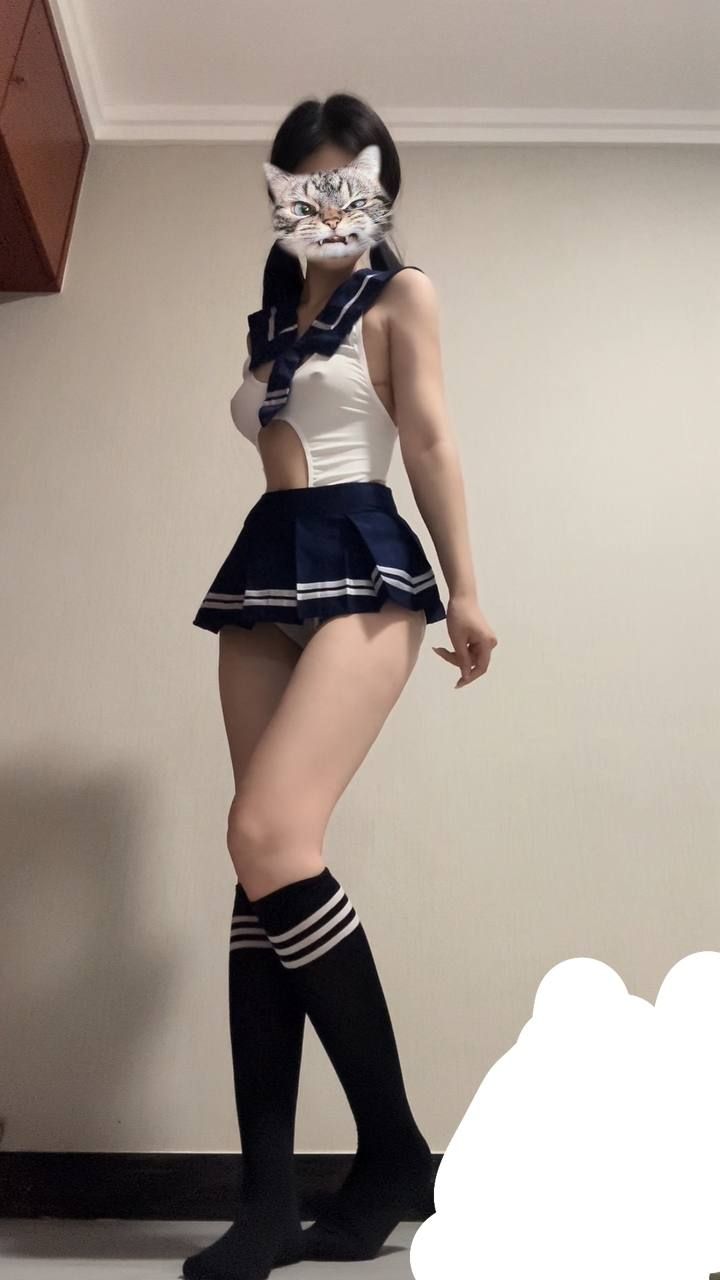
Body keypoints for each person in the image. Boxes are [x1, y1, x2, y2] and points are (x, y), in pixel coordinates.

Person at [186, 92, 498, 1280]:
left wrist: (466, 589)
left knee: (268, 834)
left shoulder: (399, 295)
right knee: (262, 860)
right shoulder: (271, 318)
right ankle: (270, 1197)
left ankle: (394, 1147)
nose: (328, 207)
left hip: (363, 553)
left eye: (351, 187)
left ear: (379, 195)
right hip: (269, 556)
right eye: (307, 186)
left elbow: (428, 438)